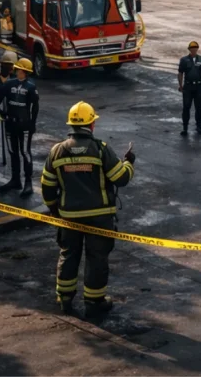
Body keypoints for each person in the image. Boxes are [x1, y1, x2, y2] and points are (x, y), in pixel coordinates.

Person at [42, 101, 135, 317]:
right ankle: (94, 302)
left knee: (68, 255)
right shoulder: (100, 149)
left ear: (71, 126)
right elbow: (121, 178)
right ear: (91, 125)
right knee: (97, 258)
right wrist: (129, 162)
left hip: (69, 216)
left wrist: (55, 209)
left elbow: (47, 187)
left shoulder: (57, 151)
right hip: (99, 217)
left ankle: (64, 299)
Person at [0, 58, 39, 195]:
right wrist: (3, 113)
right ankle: (15, 180)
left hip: (24, 125)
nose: (17, 71)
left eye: (19, 69)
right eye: (17, 69)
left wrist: (32, 124)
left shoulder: (31, 87)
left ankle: (28, 183)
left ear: (25, 72)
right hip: (10, 124)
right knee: (13, 152)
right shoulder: (8, 84)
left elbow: (35, 108)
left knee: (25, 152)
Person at [178, 41, 201, 136]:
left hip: (198, 86)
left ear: (197, 49)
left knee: (199, 108)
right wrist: (180, 85)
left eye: (195, 48)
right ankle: (185, 128)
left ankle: (199, 126)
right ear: (189, 49)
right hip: (188, 87)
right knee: (186, 107)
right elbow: (180, 73)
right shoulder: (184, 60)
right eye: (192, 48)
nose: (194, 49)